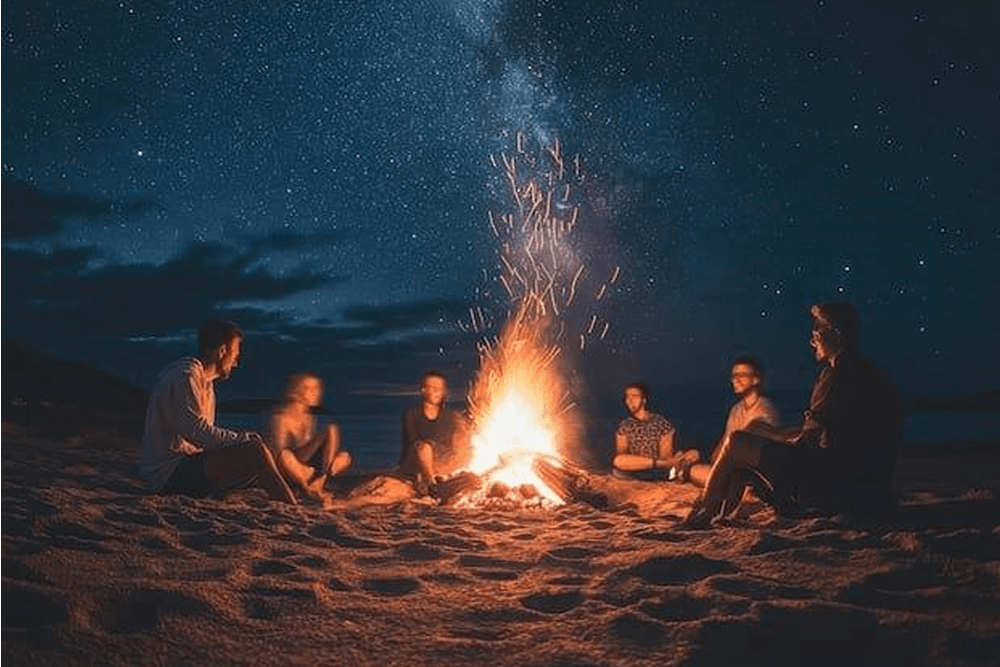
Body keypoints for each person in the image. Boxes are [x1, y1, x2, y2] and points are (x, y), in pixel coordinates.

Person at [680, 303, 902, 529]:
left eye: (817, 331)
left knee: (737, 442)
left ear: (836, 334)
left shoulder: (837, 376)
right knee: (742, 461)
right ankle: (722, 516)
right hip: (868, 487)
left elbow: (808, 442)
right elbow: (829, 434)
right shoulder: (869, 372)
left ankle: (704, 513)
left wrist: (770, 436)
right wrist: (774, 436)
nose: (812, 339)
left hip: (834, 488)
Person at [140, 319, 297, 504]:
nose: (236, 363)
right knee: (255, 450)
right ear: (222, 351)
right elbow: (196, 432)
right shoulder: (185, 376)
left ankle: (285, 495)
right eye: (235, 354)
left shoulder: (206, 384)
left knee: (262, 455)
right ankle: (291, 506)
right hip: (168, 474)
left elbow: (204, 439)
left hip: (187, 466)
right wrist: (243, 439)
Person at [686, 356, 781, 487]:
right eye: (733, 376)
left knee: (705, 475)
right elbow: (725, 443)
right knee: (694, 470)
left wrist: (720, 469)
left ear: (756, 379)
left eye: (741, 375)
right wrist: (701, 455)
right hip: (734, 469)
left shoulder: (766, 408)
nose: (735, 380)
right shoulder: (736, 409)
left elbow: (756, 453)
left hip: (756, 472)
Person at [268, 372, 352, 509]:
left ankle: (319, 482)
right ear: (297, 391)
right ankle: (307, 489)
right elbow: (277, 455)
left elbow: (311, 447)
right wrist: (301, 471)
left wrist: (319, 464)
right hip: (290, 471)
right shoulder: (280, 417)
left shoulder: (309, 416)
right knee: (285, 456)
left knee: (344, 456)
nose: (317, 393)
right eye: (310, 389)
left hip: (308, 468)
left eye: (318, 389)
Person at [399, 370, 471, 498]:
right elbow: (412, 440)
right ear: (423, 390)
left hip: (439, 460)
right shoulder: (412, 414)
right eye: (432, 388)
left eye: (439, 388)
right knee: (424, 447)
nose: (436, 391)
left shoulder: (451, 416)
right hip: (415, 460)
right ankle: (432, 486)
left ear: (444, 392)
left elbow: (455, 444)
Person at [611, 382, 699, 479]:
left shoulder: (661, 423)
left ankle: (673, 471)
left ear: (644, 400)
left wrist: (667, 462)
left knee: (694, 453)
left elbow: (665, 456)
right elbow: (622, 455)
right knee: (618, 460)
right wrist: (644, 462)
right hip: (636, 467)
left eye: (634, 396)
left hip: (659, 467)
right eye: (627, 397)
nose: (630, 401)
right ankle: (676, 471)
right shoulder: (624, 426)